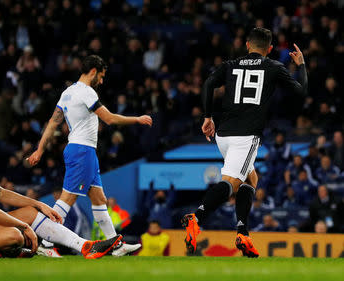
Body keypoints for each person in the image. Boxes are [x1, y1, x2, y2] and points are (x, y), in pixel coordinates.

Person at [182, 27, 307, 258]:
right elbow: (301, 93)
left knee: (251, 178)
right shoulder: (273, 67)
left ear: (248, 45)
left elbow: (209, 84)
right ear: (269, 49)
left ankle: (243, 232)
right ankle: (197, 217)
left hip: (223, 135)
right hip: (246, 137)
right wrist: (301, 65)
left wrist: (208, 116)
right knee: (231, 182)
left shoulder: (230, 65)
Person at [0, 119, 122, 259]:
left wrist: (38, 204)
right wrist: (24, 227)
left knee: (30, 213)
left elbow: (1, 193)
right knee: (14, 234)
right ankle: (15, 251)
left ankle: (86, 247)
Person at [27, 55, 152, 257]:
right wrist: (137, 119)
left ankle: (115, 245)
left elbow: (52, 122)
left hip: (82, 151)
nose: (102, 81)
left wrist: (40, 149)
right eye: (101, 76)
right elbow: (109, 119)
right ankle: (44, 242)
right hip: (82, 151)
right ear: (93, 71)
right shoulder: (87, 92)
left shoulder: (68, 93)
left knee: (99, 199)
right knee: (67, 199)